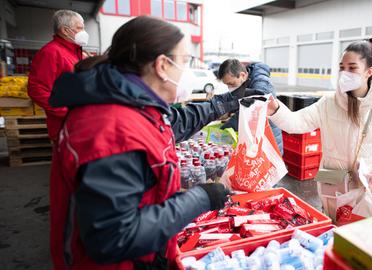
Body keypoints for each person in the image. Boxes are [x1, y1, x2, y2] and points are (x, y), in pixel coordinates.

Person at [47, 16, 261, 270]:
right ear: (162, 66)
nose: (185, 71)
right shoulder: (109, 128)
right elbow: (114, 237)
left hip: (146, 252)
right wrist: (200, 198)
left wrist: (224, 103)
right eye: (182, 61)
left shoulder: (131, 102)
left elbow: (175, 123)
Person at [266, 38, 372, 206]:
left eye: (352, 68)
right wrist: (275, 109)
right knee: (335, 230)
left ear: (369, 71)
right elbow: (297, 123)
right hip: (333, 191)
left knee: (365, 231)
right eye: (342, 68)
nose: (345, 73)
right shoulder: (328, 103)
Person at [28, 10, 89, 141]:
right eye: (80, 28)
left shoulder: (75, 52)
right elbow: (37, 89)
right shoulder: (50, 53)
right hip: (64, 126)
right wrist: (67, 111)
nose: (84, 32)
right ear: (65, 31)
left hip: (79, 123)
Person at [217, 59, 283, 153]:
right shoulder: (245, 80)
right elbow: (242, 100)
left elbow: (251, 110)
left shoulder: (261, 84)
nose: (230, 87)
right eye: (227, 85)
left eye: (231, 84)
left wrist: (225, 129)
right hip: (257, 138)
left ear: (243, 75)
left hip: (269, 141)